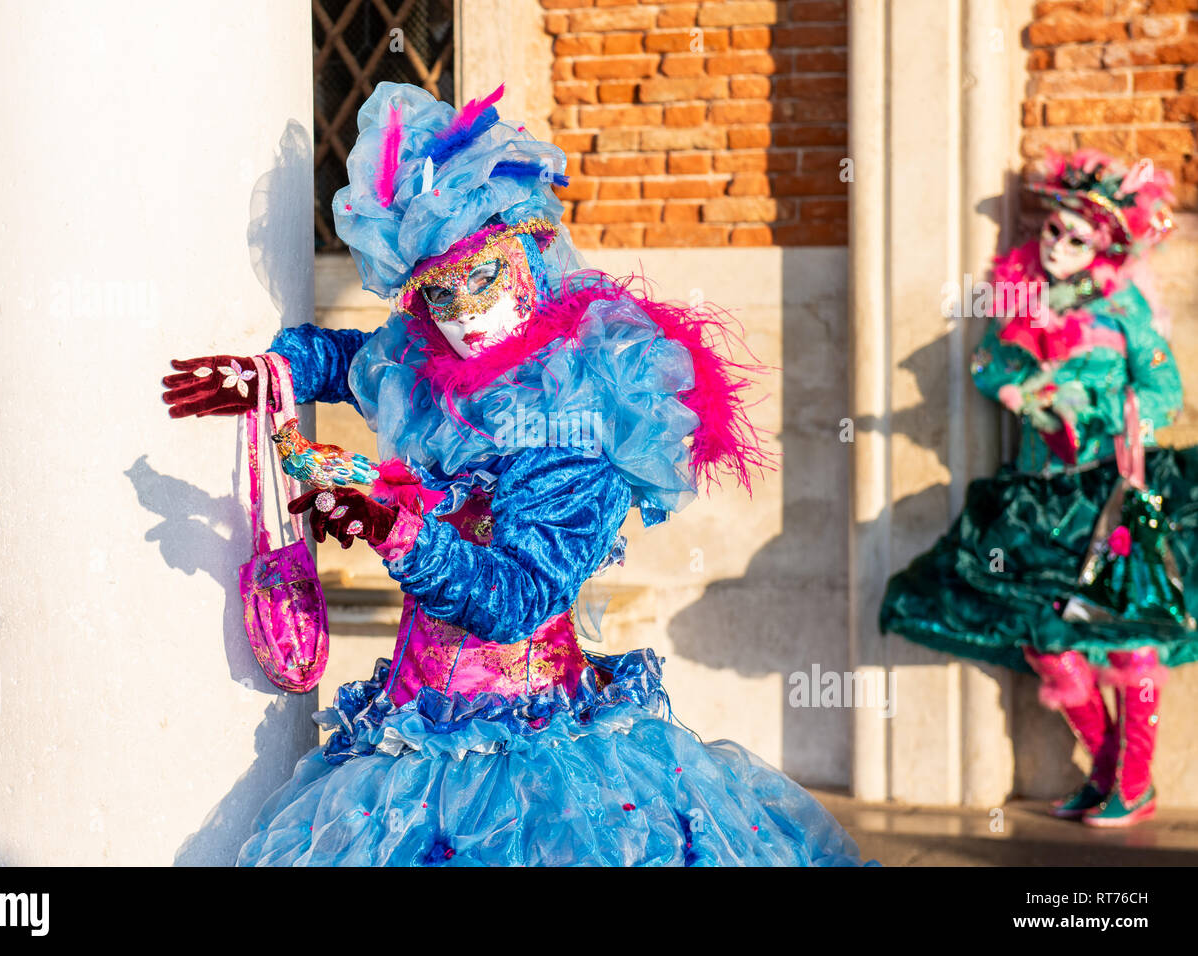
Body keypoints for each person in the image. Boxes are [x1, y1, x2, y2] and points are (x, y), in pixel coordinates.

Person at [163, 82, 870, 866]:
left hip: (538, 773)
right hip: (412, 734)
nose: (464, 315)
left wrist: (394, 528)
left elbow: (518, 596)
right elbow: (355, 359)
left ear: (528, 254)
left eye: (484, 278)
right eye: (439, 292)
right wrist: (272, 370)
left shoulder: (586, 409)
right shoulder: (432, 370)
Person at [880, 149, 1195, 827]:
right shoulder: (1023, 292)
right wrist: (1019, 390)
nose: (1056, 245)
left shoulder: (1125, 308)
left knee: (1124, 631)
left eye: (1074, 237)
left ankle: (1133, 784)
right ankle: (1111, 771)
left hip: (1109, 490)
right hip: (1037, 495)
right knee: (1047, 637)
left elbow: (1166, 393)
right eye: (1052, 229)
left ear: (1104, 246)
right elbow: (988, 359)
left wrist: (1096, 403)